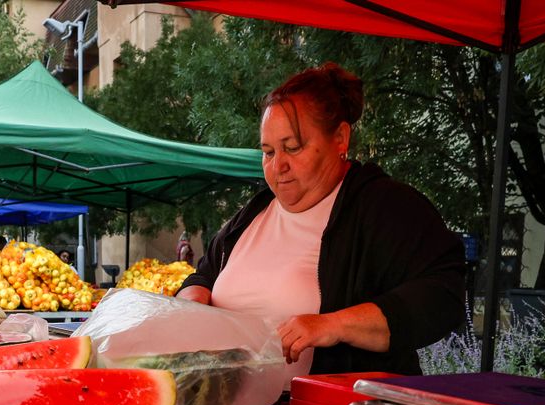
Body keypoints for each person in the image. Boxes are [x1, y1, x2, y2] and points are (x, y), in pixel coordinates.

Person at [177, 62, 465, 380]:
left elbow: (443, 296)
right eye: (269, 152)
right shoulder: (253, 214)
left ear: (340, 138)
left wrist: (333, 325)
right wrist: (191, 302)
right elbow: (204, 275)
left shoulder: (384, 206)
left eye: (293, 147)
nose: (278, 166)